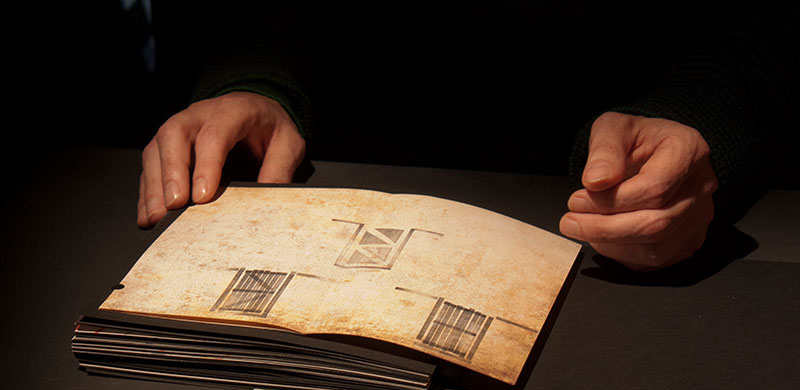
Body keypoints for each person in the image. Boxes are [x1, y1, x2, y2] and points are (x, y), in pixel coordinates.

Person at [137, 3, 799, 271]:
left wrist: (697, 118)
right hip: (337, 174)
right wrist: (252, 82)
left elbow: (769, 28)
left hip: (602, 227)